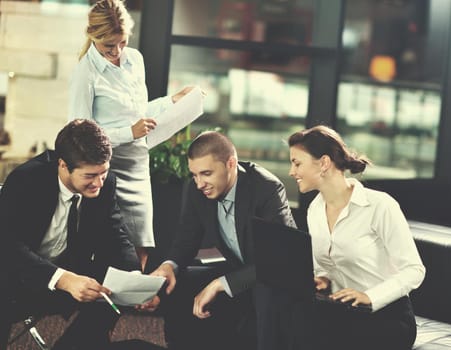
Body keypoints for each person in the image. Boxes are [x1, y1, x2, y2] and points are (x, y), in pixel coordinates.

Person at [68, 0, 193, 269]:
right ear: (93, 36)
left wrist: (173, 101)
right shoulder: (85, 73)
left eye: (122, 42)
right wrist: (129, 132)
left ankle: (130, 300)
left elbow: (139, 112)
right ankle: (101, 306)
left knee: (142, 244)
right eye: (108, 46)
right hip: (106, 169)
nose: (116, 51)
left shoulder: (135, 60)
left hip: (138, 164)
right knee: (109, 247)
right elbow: (79, 135)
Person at [144, 131, 296, 350]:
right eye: (194, 175)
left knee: (263, 289)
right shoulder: (196, 191)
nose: (199, 183)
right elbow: (186, 239)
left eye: (206, 173)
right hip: (236, 268)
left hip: (271, 275)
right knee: (179, 278)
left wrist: (220, 284)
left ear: (231, 164)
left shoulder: (266, 189)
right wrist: (169, 266)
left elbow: (276, 260)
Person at [0, 119, 140, 350]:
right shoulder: (26, 181)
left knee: (116, 285)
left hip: (71, 274)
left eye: (103, 172)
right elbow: (7, 246)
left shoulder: (105, 184)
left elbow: (116, 235)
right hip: (17, 278)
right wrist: (62, 279)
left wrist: (135, 280)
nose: (99, 183)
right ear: (63, 165)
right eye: (90, 176)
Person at [287, 125, 425, 350]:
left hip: (387, 317)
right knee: (292, 316)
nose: (292, 172)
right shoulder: (315, 209)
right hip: (341, 311)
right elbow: (325, 267)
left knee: (313, 331)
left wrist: (369, 297)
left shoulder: (380, 205)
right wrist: (323, 279)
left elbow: (414, 270)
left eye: (297, 163)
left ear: (323, 163)